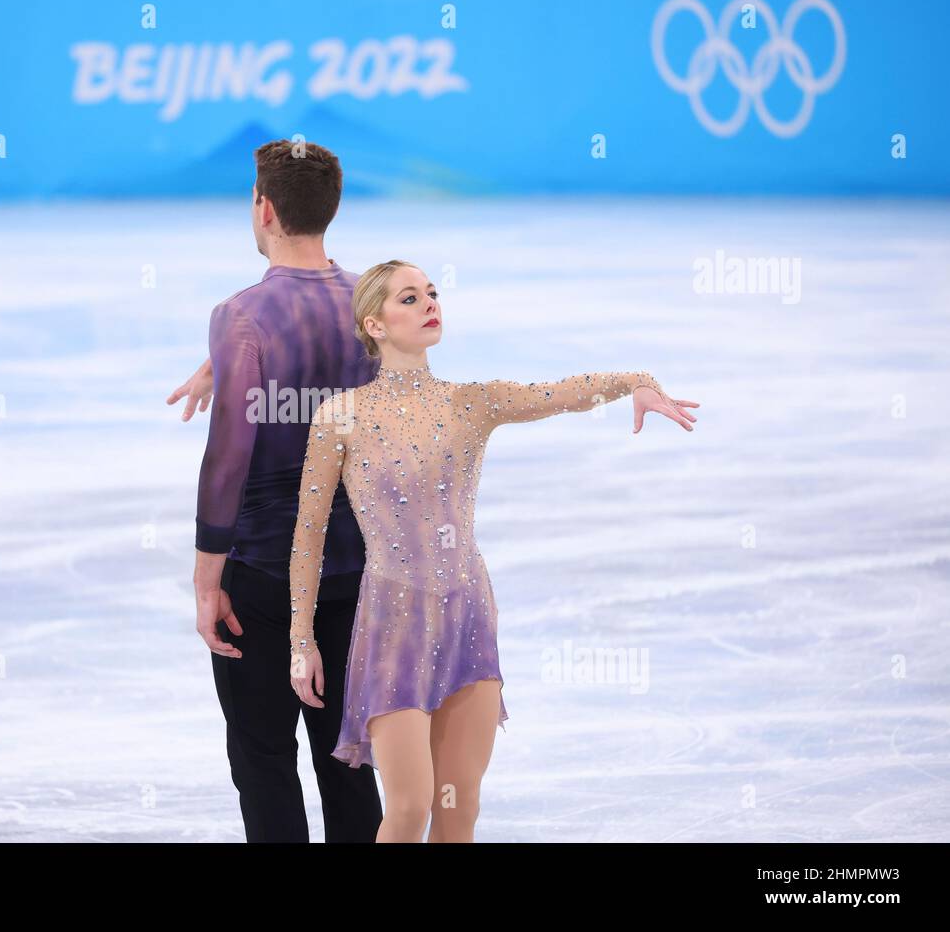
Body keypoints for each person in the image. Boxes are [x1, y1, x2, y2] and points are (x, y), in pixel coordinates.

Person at [287, 259, 699, 842]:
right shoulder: (341, 417)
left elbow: (559, 392)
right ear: (374, 324)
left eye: (431, 292)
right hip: (393, 624)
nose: (430, 302)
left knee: (459, 809)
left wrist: (636, 381)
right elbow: (309, 534)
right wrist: (301, 638)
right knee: (408, 808)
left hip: (467, 615)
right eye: (409, 298)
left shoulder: (471, 403)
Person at [168, 139, 384, 842]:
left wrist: (206, 580)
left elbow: (228, 458)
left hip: (261, 575)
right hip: (355, 570)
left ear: (263, 209)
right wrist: (222, 364)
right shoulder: (374, 305)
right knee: (349, 761)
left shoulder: (242, 317)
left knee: (263, 760)